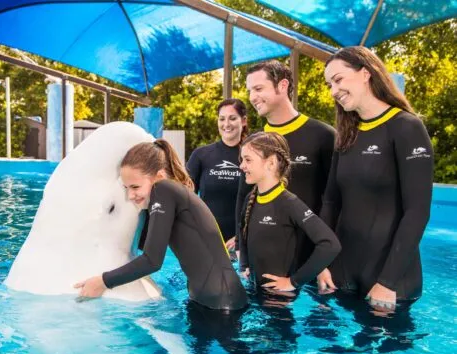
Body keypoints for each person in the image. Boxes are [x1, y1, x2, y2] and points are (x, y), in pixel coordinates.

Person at [319, 46, 434, 311]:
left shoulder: (406, 127)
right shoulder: (346, 134)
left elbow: (417, 212)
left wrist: (388, 282)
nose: (333, 91)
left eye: (338, 80)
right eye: (329, 84)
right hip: (343, 275)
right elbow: (331, 202)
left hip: (390, 282)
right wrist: (323, 262)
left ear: (365, 73)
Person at [74, 139, 248, 311]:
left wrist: (102, 282)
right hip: (211, 300)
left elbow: (152, 261)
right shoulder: (170, 196)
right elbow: (146, 245)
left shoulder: (163, 189)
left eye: (135, 186)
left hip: (223, 303)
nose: (130, 195)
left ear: (159, 176)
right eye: (126, 188)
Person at [235, 61, 336, 265]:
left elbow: (333, 200)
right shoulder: (253, 143)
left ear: (282, 86)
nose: (252, 97)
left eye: (258, 88)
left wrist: (326, 261)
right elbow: (243, 197)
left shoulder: (323, 135)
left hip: (309, 259)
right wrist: (241, 249)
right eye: (249, 91)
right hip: (265, 259)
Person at [238, 132, 341, 295]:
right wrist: (244, 266)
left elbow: (330, 244)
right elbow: (242, 232)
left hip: (279, 301)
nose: (242, 166)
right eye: (242, 160)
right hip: (255, 291)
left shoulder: (289, 203)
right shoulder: (250, 199)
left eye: (248, 159)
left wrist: (294, 281)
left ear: (271, 163)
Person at [186, 99, 248, 252]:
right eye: (222, 119)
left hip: (242, 244)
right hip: (206, 241)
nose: (226, 124)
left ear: (244, 121)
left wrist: (241, 237)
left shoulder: (253, 156)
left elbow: (262, 202)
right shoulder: (202, 155)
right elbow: (185, 198)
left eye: (232, 118)